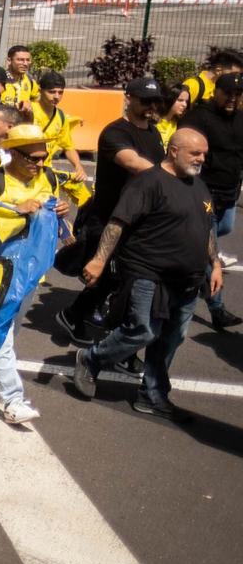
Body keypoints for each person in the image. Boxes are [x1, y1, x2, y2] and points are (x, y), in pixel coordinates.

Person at [75, 128, 220, 421]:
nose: (202, 159)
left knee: (171, 338)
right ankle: (90, 359)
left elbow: (207, 228)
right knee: (142, 330)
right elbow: (118, 223)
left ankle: (152, 394)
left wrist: (214, 264)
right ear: (174, 150)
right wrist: (99, 260)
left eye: (204, 153)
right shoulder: (149, 182)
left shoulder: (199, 186)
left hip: (189, 280)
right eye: (196, 153)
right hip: (148, 273)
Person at [0, 124, 66, 426]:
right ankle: (13, 400)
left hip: (31, 273)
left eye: (43, 157)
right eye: (32, 158)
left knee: (10, 332)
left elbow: (52, 216)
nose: (39, 164)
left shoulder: (48, 177)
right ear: (12, 154)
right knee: (3, 333)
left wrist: (61, 209)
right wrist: (12, 208)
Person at [62, 78, 170, 344]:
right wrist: (173, 178)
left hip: (140, 219)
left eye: (155, 102)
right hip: (109, 217)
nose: (150, 107)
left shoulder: (154, 133)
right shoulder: (115, 133)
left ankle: (97, 315)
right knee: (106, 275)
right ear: (129, 98)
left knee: (121, 277)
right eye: (145, 101)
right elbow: (133, 163)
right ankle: (73, 315)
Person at [178, 71, 243, 331]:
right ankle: (218, 310)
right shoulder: (200, 117)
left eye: (237, 95)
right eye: (228, 93)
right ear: (216, 92)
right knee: (211, 248)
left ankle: (201, 276)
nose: (232, 98)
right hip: (204, 192)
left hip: (229, 192)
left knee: (225, 228)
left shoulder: (241, 118)